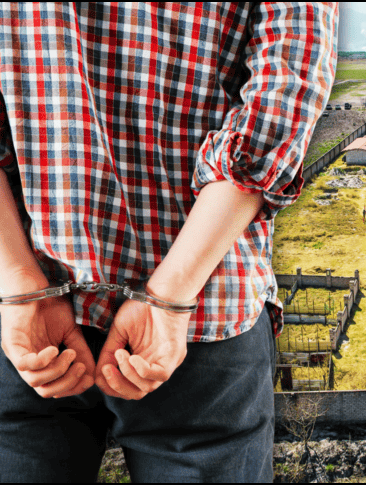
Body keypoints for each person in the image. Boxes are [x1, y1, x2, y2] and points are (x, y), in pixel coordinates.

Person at [0, 3, 338, 483]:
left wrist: (17, 282)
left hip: (27, 308)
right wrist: (170, 295)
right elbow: (284, 97)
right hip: (202, 303)